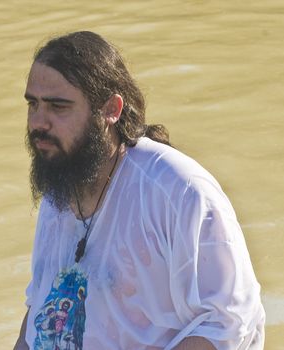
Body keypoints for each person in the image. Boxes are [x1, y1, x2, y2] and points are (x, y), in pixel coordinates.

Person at [14, 31, 265, 350]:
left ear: (110, 110)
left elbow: (229, 323)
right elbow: (39, 307)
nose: (38, 122)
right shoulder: (60, 185)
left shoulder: (179, 190)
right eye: (33, 104)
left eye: (58, 107)